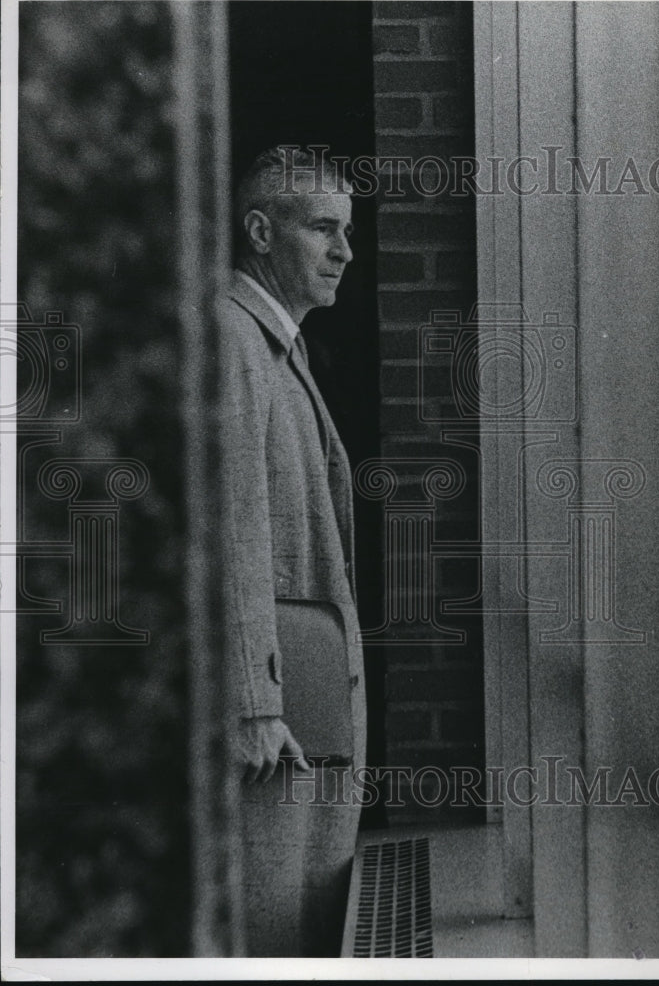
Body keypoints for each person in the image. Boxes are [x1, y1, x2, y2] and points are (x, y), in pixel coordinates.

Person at [217, 146, 366, 957]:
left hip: (296, 711)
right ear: (260, 232)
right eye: (322, 228)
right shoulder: (234, 339)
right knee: (272, 933)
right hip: (272, 725)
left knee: (302, 928)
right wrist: (253, 704)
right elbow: (229, 524)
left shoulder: (275, 343)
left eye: (348, 230)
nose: (345, 251)